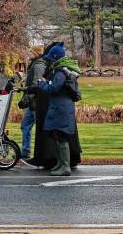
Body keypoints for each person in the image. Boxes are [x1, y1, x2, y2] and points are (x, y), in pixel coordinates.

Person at [28, 42, 83, 171]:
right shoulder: (63, 70)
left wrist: (42, 83)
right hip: (62, 106)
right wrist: (47, 82)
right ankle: (61, 164)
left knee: (61, 136)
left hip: (61, 107)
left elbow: (54, 88)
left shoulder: (61, 71)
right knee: (58, 136)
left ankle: (64, 167)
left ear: (55, 58)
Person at [19, 47, 48, 162]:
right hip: (32, 103)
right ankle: (25, 152)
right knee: (25, 126)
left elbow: (36, 86)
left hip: (36, 103)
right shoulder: (34, 64)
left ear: (36, 53)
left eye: (31, 52)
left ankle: (40, 154)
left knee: (38, 129)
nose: (28, 53)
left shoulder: (38, 66)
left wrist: (26, 98)